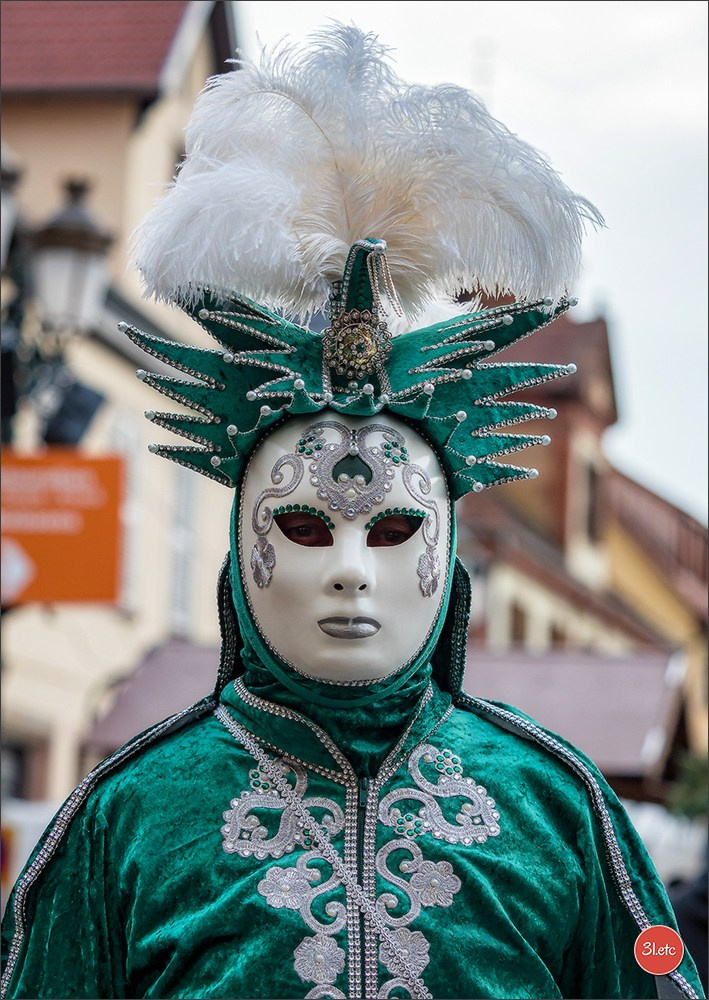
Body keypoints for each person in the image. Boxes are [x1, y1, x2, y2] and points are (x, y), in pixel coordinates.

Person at [1, 25, 704, 1000]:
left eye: (390, 529)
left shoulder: (560, 808)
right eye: (301, 525)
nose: (346, 567)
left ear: (449, 542)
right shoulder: (122, 821)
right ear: (241, 543)